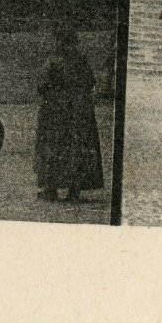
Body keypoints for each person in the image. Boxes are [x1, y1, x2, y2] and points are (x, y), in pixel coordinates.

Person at [35, 26, 105, 202]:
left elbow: (43, 86)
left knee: (54, 147)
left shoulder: (53, 62)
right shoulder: (81, 60)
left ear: (59, 41)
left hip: (56, 110)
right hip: (78, 110)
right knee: (75, 148)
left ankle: (52, 188)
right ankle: (74, 189)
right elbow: (90, 82)